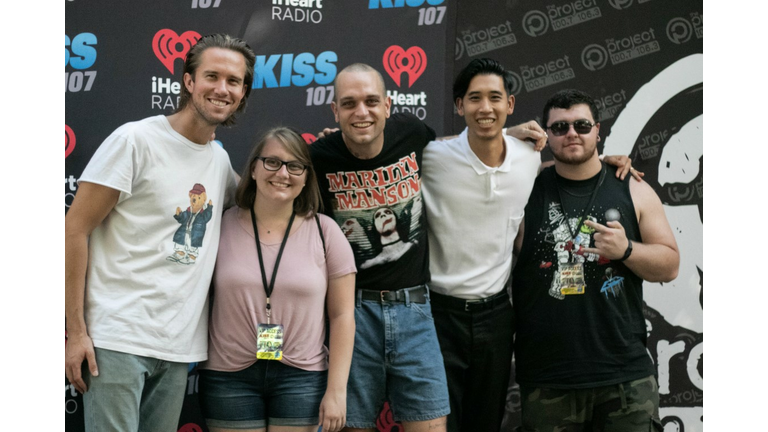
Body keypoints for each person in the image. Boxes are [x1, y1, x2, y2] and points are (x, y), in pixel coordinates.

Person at [422, 58, 638, 432]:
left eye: (494, 97)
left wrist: (607, 160)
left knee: (485, 422)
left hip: (495, 315)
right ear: (459, 106)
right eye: (474, 98)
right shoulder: (433, 156)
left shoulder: (528, 156)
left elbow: (574, 160)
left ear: (510, 103)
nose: (485, 107)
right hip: (436, 314)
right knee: (436, 423)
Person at [64, 33, 255, 431]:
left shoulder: (219, 160)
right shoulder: (136, 140)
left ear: (243, 92)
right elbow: (74, 230)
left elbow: (263, 198)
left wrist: (317, 155)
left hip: (178, 349)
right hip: (117, 341)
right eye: (212, 76)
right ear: (188, 81)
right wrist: (76, 332)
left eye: (234, 81)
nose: (222, 89)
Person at [512, 89, 679, 431]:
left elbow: (670, 264)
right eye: (559, 128)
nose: (572, 133)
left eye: (582, 125)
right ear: (546, 135)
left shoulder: (631, 187)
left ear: (598, 130)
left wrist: (626, 250)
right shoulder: (523, 189)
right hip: (548, 379)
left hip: (624, 376)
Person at [198, 127, 357, 432]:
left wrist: (336, 391)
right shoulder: (219, 226)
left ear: (306, 176)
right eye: (272, 162)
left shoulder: (326, 233)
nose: (283, 173)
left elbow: (342, 316)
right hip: (228, 376)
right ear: (254, 169)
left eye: (294, 165)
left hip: (303, 377)